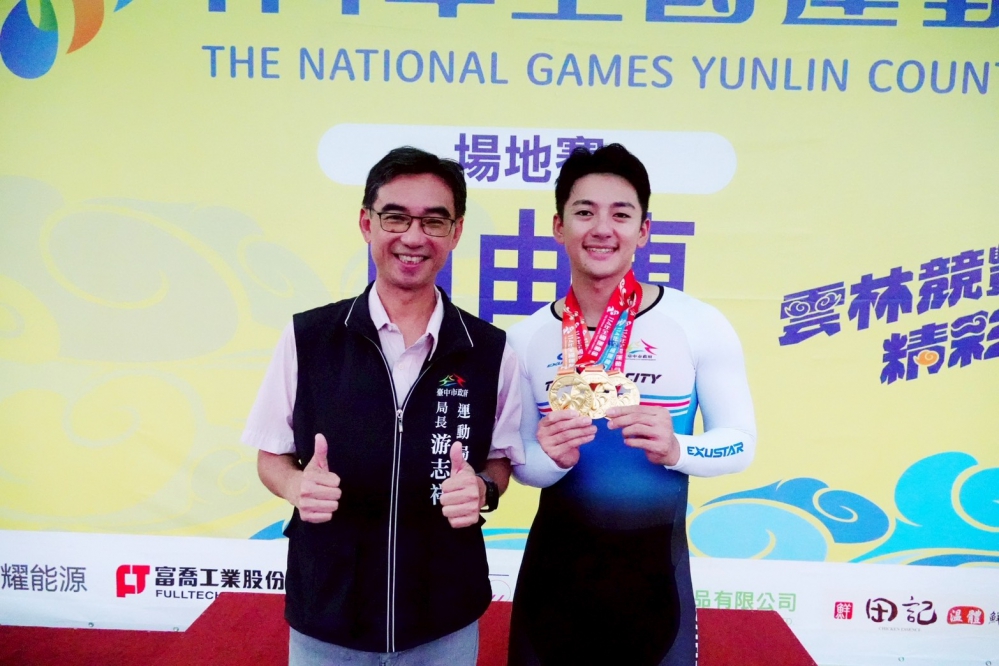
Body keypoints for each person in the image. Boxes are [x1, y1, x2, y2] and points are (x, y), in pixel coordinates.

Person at [242, 147, 523, 666]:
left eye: (434, 221)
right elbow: (271, 455)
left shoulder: (489, 349)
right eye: (395, 217)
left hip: (443, 615)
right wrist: (296, 487)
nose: (413, 237)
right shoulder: (309, 337)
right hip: (328, 611)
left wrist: (483, 488)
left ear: (456, 233)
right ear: (366, 223)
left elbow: (500, 461)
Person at [506, 144, 756, 665]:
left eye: (621, 215)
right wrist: (550, 459)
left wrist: (678, 449)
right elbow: (521, 462)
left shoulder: (697, 324)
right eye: (585, 212)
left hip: (655, 587)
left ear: (644, 230)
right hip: (552, 590)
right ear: (558, 227)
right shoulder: (527, 337)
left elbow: (740, 443)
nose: (603, 229)